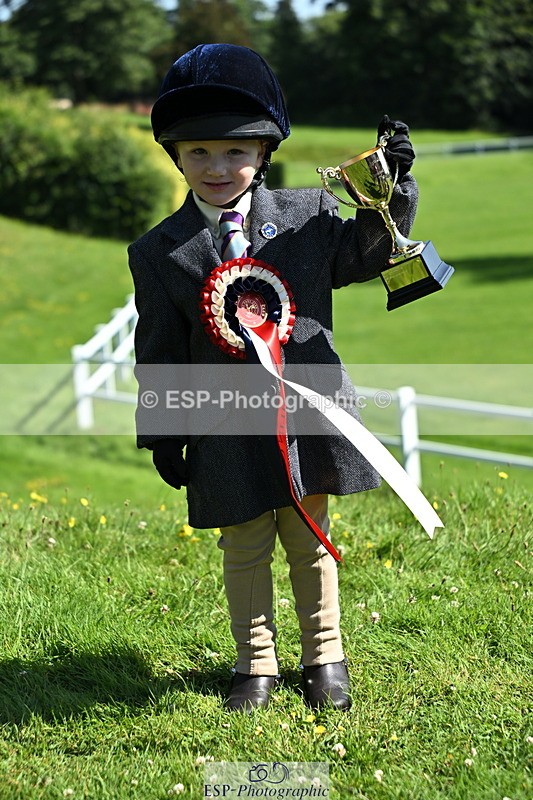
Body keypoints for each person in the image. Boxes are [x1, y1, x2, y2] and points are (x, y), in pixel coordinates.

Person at [128, 43, 417, 713]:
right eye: (197, 152)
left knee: (308, 539)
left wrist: (392, 194)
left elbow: (367, 255)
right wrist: (163, 433)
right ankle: (254, 665)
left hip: (308, 413)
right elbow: (159, 348)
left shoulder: (310, 216)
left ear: (263, 153)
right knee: (245, 545)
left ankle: (325, 658)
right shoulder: (157, 251)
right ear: (175, 156)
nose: (216, 167)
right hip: (223, 427)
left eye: (234, 152)